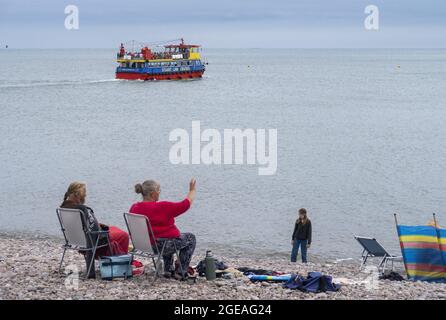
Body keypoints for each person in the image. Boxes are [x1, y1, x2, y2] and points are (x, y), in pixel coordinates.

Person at [129, 178, 197, 280]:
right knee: (190, 238)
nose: (159, 193)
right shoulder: (162, 207)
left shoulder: (134, 207)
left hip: (143, 245)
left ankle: (168, 270)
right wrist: (192, 191)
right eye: (159, 190)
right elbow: (185, 205)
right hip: (160, 246)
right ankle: (180, 272)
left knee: (167, 237)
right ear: (152, 194)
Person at [60, 182, 129, 278]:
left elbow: (83, 225)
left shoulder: (63, 208)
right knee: (124, 235)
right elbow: (95, 231)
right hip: (92, 241)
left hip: (76, 240)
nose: (86, 196)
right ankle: (121, 266)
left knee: (114, 228)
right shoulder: (82, 210)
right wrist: (101, 227)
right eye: (85, 194)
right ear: (78, 195)